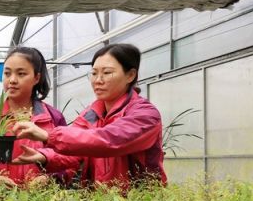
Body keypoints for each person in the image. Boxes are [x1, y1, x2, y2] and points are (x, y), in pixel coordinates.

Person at [12, 43, 167, 188]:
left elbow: (109, 140)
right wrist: (43, 156)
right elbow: (76, 151)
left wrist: (48, 136)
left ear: (130, 75)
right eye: (94, 73)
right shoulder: (91, 114)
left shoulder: (145, 114)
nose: (97, 80)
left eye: (107, 73)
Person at [0, 46, 67, 187]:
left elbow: (69, 160)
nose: (12, 80)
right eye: (7, 73)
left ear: (36, 78)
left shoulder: (52, 117)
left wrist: (50, 179)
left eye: (21, 74)